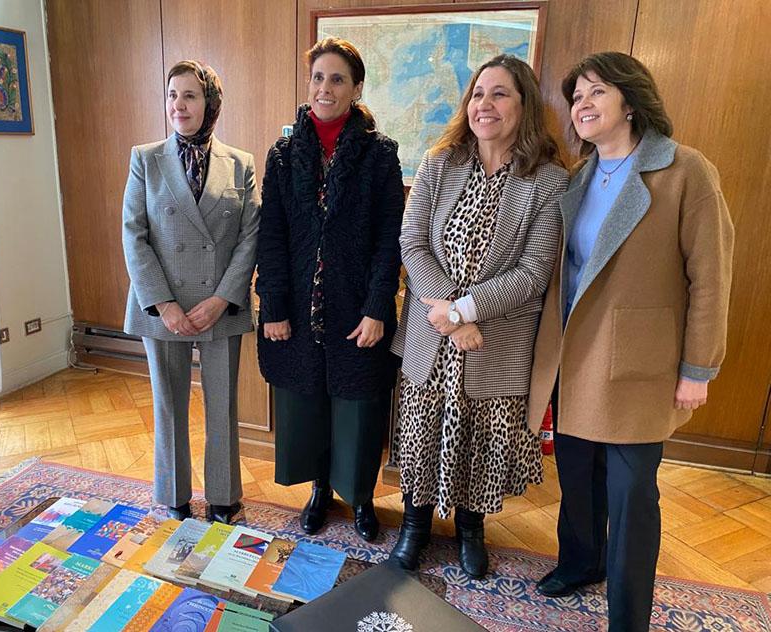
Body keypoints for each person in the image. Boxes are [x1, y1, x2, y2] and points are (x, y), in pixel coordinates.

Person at [528, 52, 734, 631]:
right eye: (576, 96)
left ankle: (628, 612)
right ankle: (579, 563)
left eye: (596, 91)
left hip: (639, 363)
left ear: (631, 99)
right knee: (576, 475)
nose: (582, 105)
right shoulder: (579, 175)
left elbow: (712, 276)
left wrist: (698, 368)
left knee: (631, 494)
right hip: (573, 357)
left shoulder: (685, 169)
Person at [388, 54, 568, 578]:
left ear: (525, 106)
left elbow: (535, 272)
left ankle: (471, 527)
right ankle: (414, 526)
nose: (484, 104)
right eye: (478, 93)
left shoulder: (548, 181)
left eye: (500, 93)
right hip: (432, 336)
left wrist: (466, 310)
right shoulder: (439, 163)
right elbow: (412, 243)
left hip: (499, 341)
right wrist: (451, 315)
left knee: (483, 439)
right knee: (422, 432)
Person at [256, 38, 404, 542]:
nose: (325, 88)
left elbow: (391, 238)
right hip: (296, 308)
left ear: (356, 87)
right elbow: (270, 236)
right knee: (307, 403)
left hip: (356, 304)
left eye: (337, 79)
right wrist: (272, 303)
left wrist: (378, 306)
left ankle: (360, 498)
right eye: (318, 77)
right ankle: (319, 489)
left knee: (358, 407)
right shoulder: (283, 154)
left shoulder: (380, 155)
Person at [122, 61, 259, 525]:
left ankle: (222, 496)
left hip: (221, 305)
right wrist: (164, 304)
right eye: (172, 95)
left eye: (190, 96)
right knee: (168, 404)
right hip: (162, 308)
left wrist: (222, 298)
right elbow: (133, 235)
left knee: (222, 405)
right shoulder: (146, 158)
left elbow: (250, 237)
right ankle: (174, 496)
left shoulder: (241, 162)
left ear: (210, 103)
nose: (178, 105)